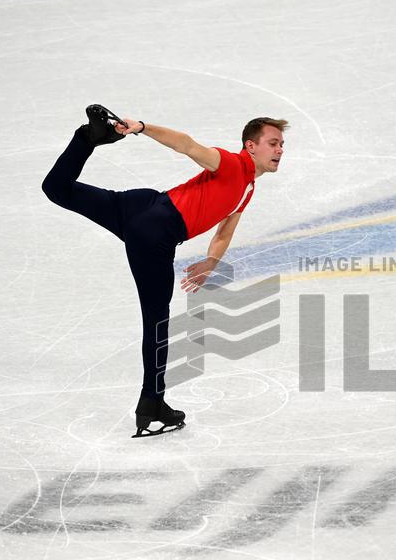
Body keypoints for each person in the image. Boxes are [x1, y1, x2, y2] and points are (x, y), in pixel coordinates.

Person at [41, 105, 288, 437]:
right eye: (273, 143)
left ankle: (87, 138)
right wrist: (142, 127)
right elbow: (186, 145)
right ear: (251, 146)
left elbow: (225, 231)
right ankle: (152, 404)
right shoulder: (232, 164)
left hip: (139, 205)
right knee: (157, 321)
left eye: (281, 144)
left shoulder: (247, 187)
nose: (279, 150)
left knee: (57, 188)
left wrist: (211, 261)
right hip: (156, 233)